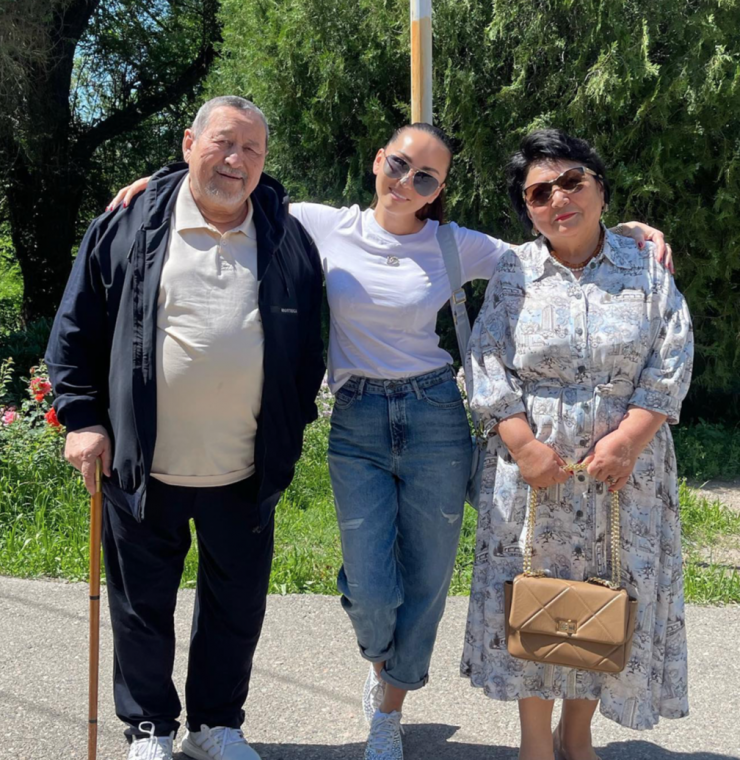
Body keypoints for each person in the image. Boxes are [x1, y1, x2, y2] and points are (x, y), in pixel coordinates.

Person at [110, 122, 671, 760]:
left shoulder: (456, 245)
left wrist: (628, 231)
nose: (408, 183)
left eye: (426, 178)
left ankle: (389, 710)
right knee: (373, 590)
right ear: (379, 161)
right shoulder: (325, 226)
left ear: (438, 190)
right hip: (357, 420)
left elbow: (553, 241)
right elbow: (236, 193)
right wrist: (166, 183)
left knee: (427, 585)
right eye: (400, 165)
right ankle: (379, 666)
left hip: (435, 418)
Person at [46, 96, 325, 760]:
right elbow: (76, 327)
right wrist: (81, 418)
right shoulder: (127, 223)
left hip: (245, 467)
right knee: (141, 606)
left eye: (252, 149)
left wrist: (290, 424)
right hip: (143, 463)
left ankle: (215, 727)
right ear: (188, 144)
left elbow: (309, 346)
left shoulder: (287, 236)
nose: (236, 160)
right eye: (223, 143)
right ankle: (149, 727)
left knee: (237, 607)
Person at [460, 129, 692, 760]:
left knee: (606, 587)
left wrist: (629, 440)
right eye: (539, 192)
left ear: (599, 189)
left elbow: (672, 354)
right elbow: (484, 360)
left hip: (625, 470)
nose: (558, 198)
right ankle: (536, 738)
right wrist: (522, 446)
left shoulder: (645, 267)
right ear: (528, 209)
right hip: (535, 469)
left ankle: (578, 731)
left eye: (571, 181)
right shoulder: (514, 272)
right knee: (533, 589)